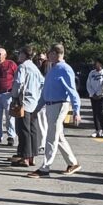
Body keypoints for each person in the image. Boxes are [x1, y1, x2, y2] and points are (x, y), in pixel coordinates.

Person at [29, 44, 81, 177]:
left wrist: (76, 110)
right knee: (58, 136)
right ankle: (73, 163)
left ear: (56, 53)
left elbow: (73, 91)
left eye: (50, 53)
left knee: (51, 136)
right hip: (50, 105)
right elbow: (45, 92)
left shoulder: (65, 69)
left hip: (59, 105)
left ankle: (45, 168)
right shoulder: (52, 68)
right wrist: (37, 108)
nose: (48, 56)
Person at [10, 49, 44, 168]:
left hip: (23, 102)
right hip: (34, 102)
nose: (18, 56)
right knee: (32, 130)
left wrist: (14, 95)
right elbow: (42, 83)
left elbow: (18, 82)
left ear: (24, 55)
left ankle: (24, 157)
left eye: (20, 53)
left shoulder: (22, 67)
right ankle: (32, 157)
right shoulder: (35, 68)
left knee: (23, 130)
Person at [0, 48, 18, 146]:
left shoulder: (11, 64)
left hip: (8, 94)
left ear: (5, 55)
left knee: (10, 117)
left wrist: (15, 92)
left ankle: (11, 137)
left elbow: (17, 77)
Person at [86, 60, 103, 138]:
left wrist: (100, 93)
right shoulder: (92, 73)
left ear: (100, 64)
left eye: (96, 63)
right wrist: (92, 93)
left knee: (100, 111)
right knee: (95, 112)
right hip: (93, 96)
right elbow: (88, 84)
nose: (95, 65)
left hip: (102, 96)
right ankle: (97, 130)